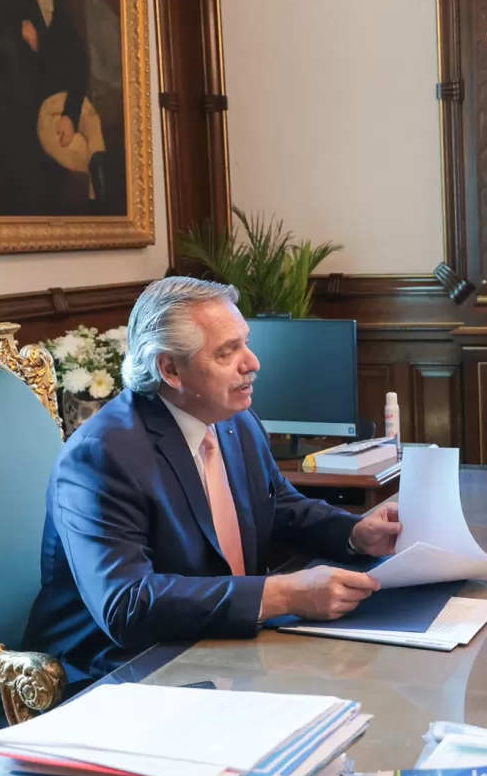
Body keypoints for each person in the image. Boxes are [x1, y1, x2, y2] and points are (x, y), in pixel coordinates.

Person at [23, 277, 399, 688]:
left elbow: (279, 508)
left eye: (245, 342)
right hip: (121, 672)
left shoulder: (236, 419)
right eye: (227, 352)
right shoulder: (100, 455)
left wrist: (355, 533)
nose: (253, 363)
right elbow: (126, 605)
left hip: (222, 647)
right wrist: (284, 595)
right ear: (170, 369)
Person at [14, 0, 109, 205]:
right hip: (44, 108)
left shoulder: (60, 5)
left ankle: (102, 178)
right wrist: (17, 28)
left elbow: (79, 63)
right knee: (70, 143)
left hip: (71, 99)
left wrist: (71, 112)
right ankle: (99, 182)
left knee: (93, 125)